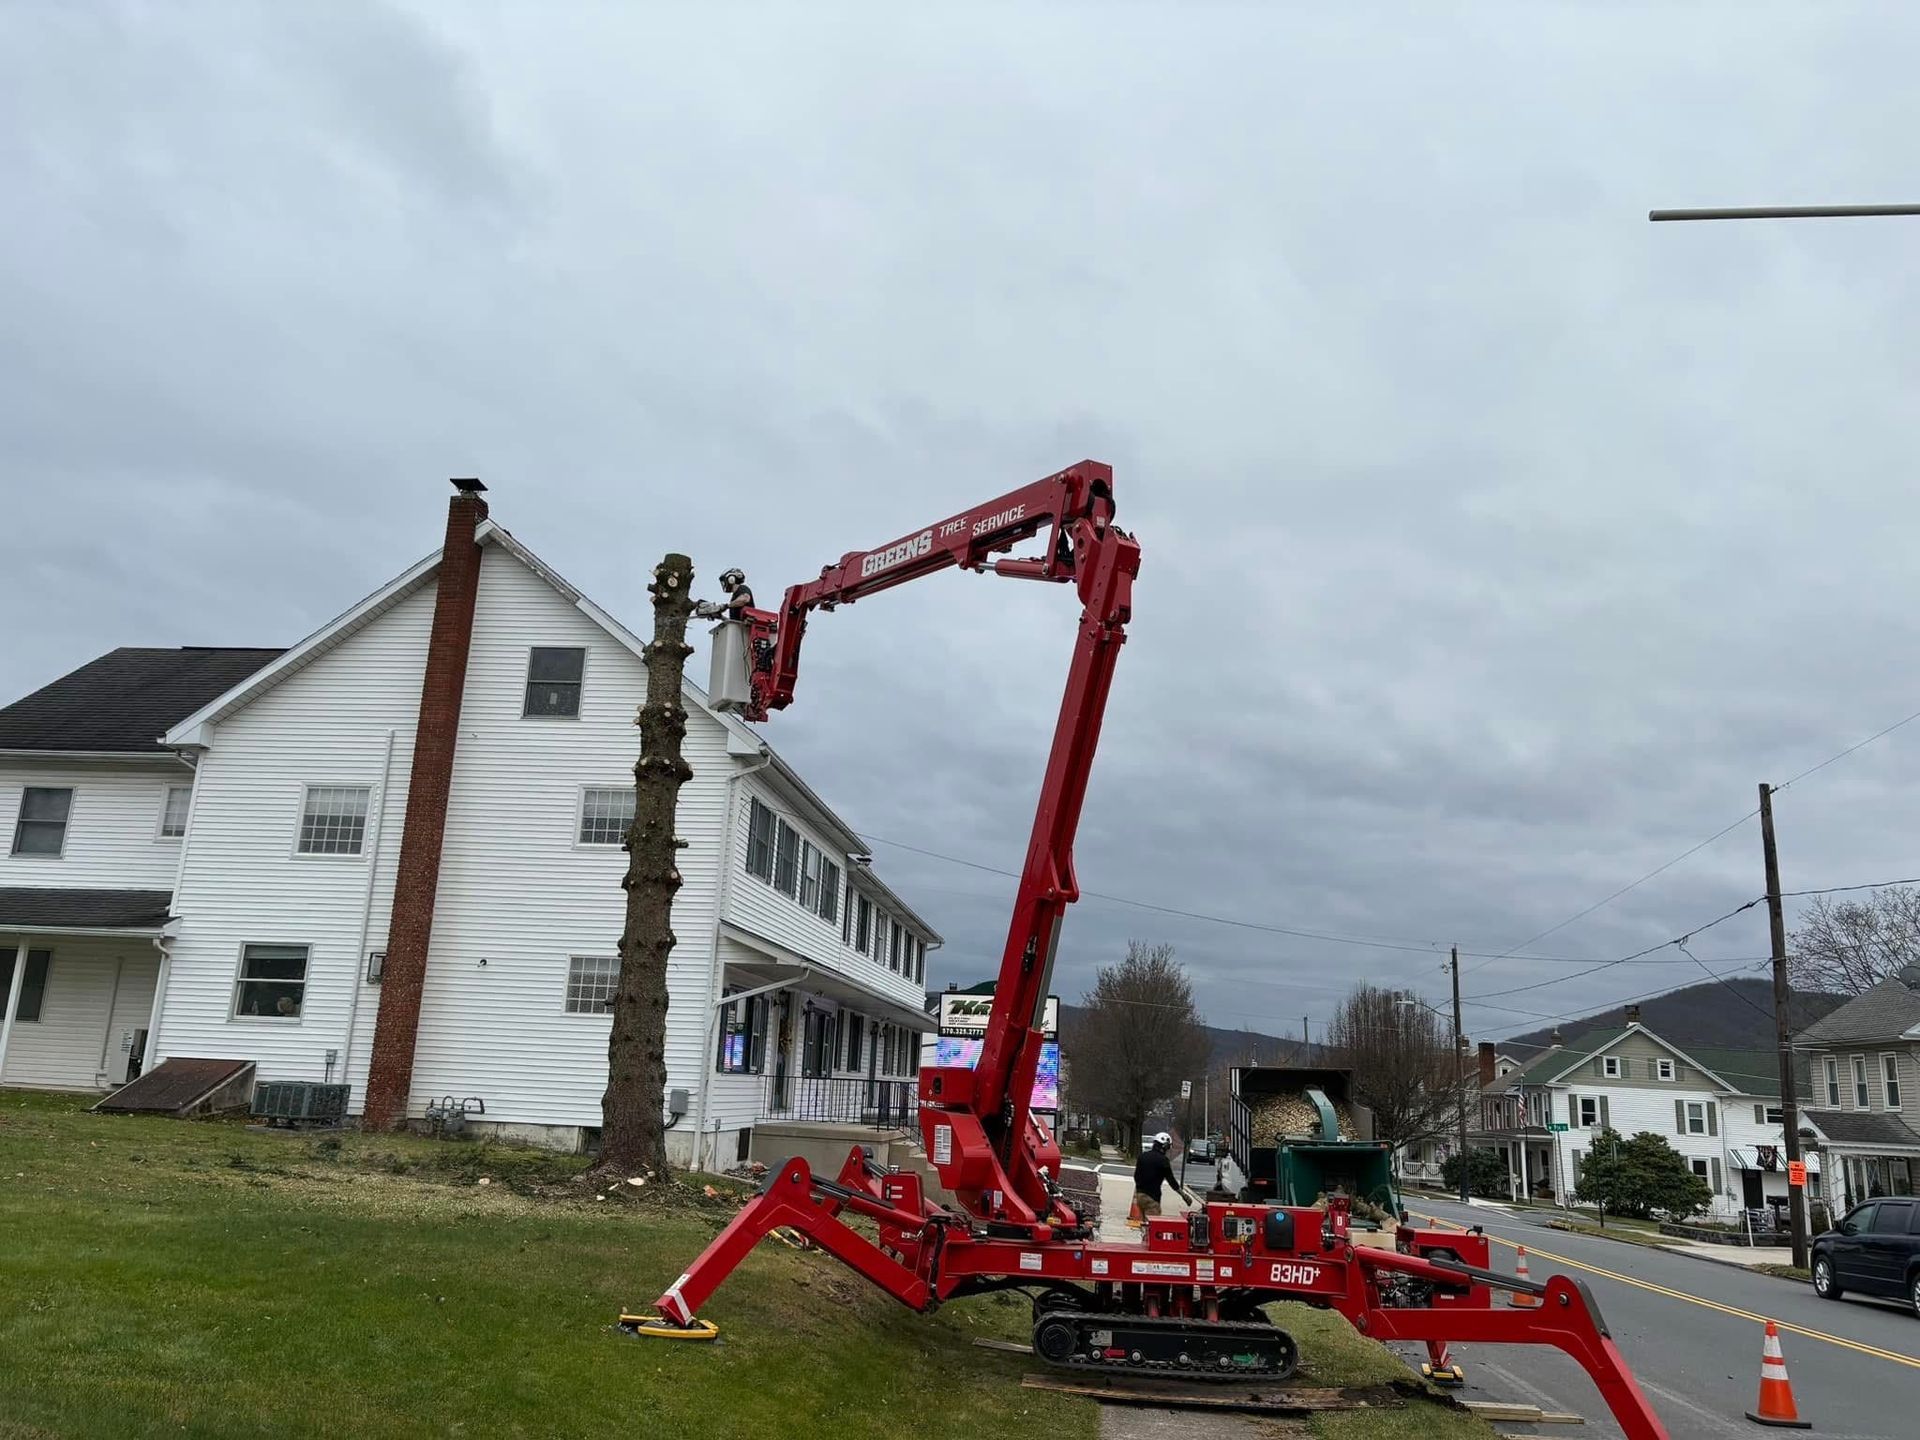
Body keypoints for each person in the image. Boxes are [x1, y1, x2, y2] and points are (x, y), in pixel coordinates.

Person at [1132, 1132, 1188, 1218]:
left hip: (1140, 1196)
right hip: (1152, 1198)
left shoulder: (1143, 1156)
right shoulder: (1163, 1161)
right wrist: (1183, 1195)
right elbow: (1171, 1180)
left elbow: (1136, 1176)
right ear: (1164, 1146)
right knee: (1154, 1226)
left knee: (1144, 1225)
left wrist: (1140, 1188)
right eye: (1167, 1147)